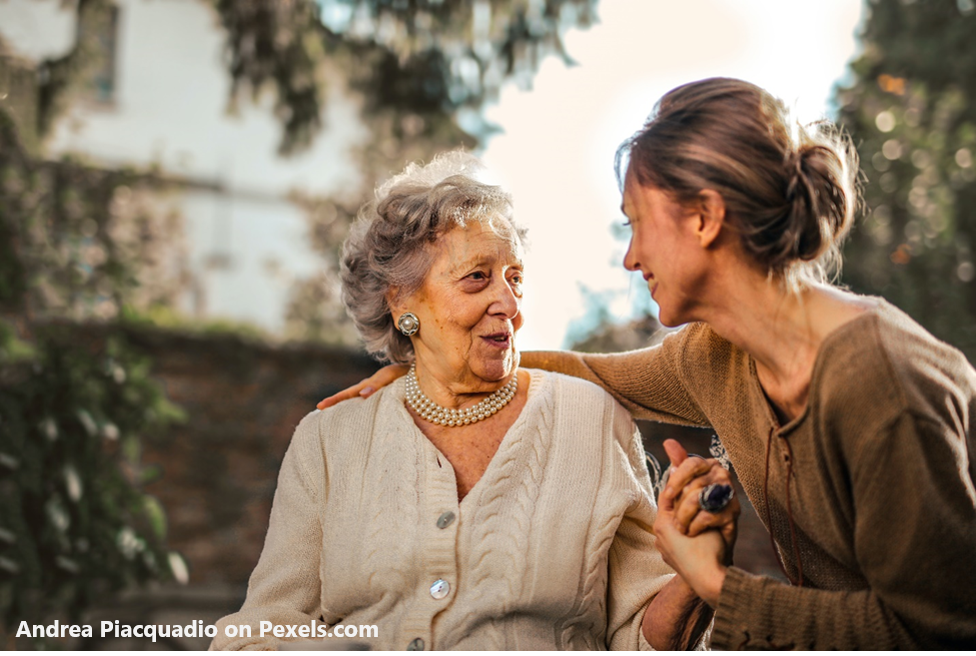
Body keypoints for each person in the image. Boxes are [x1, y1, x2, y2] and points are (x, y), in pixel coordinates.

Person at [319, 79, 976, 650]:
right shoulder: (717, 356)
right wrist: (435, 369)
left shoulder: (879, 384)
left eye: (636, 223)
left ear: (704, 218)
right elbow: (590, 373)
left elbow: (935, 630)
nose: (631, 258)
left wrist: (715, 583)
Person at [211, 152, 715, 651]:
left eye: (514, 278)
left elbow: (640, 637)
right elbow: (264, 627)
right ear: (402, 300)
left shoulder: (592, 420)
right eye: (478, 277)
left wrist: (696, 577)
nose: (511, 304)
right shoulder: (328, 440)